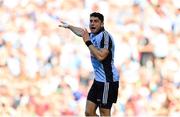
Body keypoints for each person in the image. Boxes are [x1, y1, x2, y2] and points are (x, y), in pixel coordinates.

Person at [59, 12, 119, 116]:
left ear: (102, 24)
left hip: (108, 81)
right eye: (91, 21)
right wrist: (69, 27)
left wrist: (88, 43)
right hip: (98, 80)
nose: (92, 23)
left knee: (105, 113)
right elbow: (82, 33)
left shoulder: (105, 37)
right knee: (89, 112)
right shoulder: (93, 35)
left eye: (96, 21)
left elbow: (101, 56)